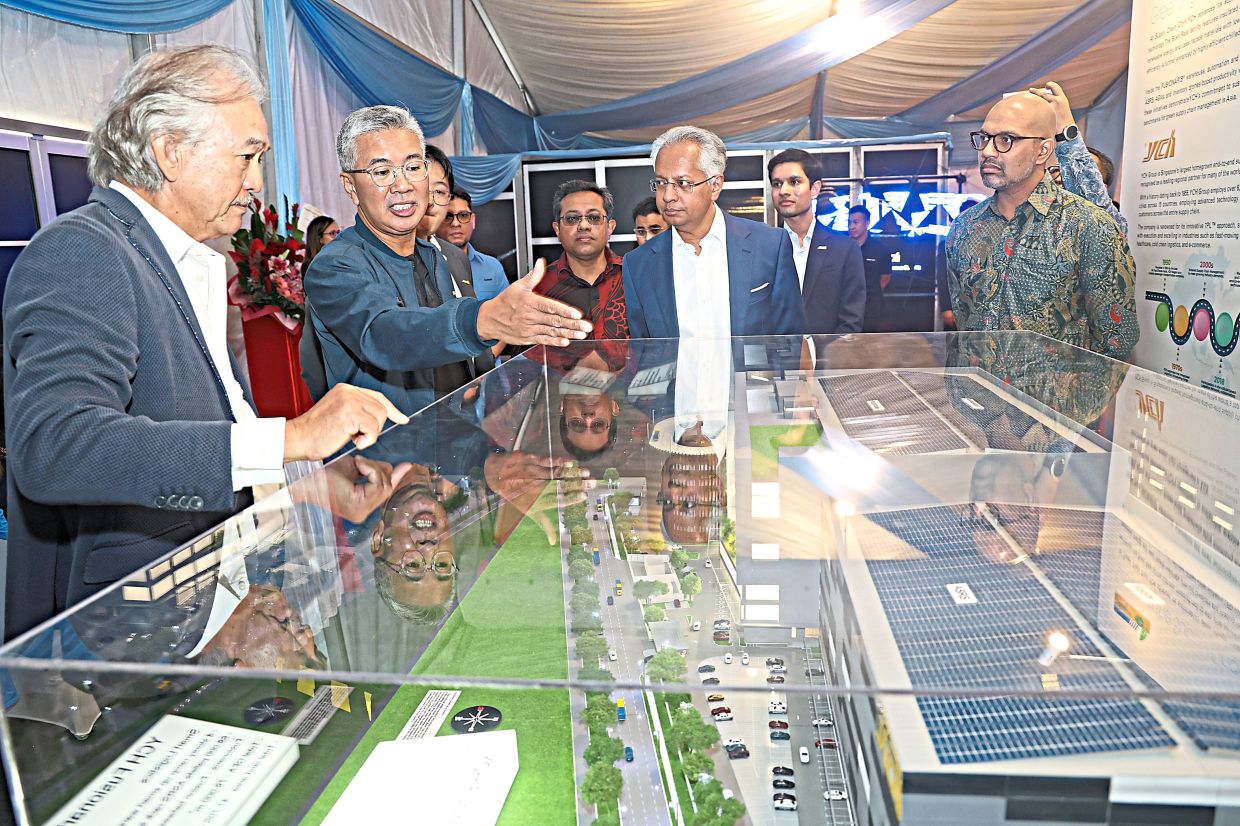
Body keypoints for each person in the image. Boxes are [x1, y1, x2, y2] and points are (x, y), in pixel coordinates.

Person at [2, 46, 409, 639]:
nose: (257, 182)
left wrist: (305, 483)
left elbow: (204, 418)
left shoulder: (186, 257)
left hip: (209, 605)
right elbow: (58, 446)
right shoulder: (84, 251)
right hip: (127, 636)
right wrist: (293, 436)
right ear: (169, 151)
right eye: (248, 156)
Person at [303, 105, 592, 416]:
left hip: (450, 446)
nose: (403, 185)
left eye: (414, 168)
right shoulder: (335, 266)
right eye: (382, 172)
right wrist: (480, 320)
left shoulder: (434, 257)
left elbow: (449, 371)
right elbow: (384, 334)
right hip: (380, 459)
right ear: (350, 186)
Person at [945, 93, 1138, 360]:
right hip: (978, 398)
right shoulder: (964, 229)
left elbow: (1116, 339)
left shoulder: (1087, 225)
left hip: (1053, 401)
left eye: (1006, 140)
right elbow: (963, 323)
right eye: (985, 138)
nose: (988, 151)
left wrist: (1080, 399)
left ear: (1043, 151)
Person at [622, 126, 806, 339]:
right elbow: (643, 352)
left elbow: (790, 338)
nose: (668, 196)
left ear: (715, 185)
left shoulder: (769, 246)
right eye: (662, 183)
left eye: (682, 183)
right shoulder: (638, 264)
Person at [768, 149, 865, 334]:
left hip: (827, 358)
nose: (784, 191)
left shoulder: (845, 249)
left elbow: (851, 321)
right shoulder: (761, 247)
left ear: (815, 189)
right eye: (777, 184)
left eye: (794, 182)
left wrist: (825, 360)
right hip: (775, 359)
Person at [1027, 81, 1127, 235]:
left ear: (1102, 189)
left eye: (1087, 170)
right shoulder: (1027, 220)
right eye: (1057, 169)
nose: (1064, 174)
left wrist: (1065, 131)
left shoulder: (1110, 225)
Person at [536, 180, 629, 340]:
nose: (584, 225)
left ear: (610, 227)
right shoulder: (539, 288)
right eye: (572, 219)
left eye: (593, 217)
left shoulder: (633, 277)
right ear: (557, 229)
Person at [436, 186, 509, 301]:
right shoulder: (426, 266)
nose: (455, 223)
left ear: (473, 220)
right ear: (436, 221)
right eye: (448, 216)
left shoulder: (492, 267)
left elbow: (507, 312)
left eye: (463, 215)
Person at [847, 205, 891, 332]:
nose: (851, 226)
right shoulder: (841, 247)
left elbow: (885, 278)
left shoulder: (881, 249)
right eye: (849, 222)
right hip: (844, 308)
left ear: (867, 223)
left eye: (856, 222)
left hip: (871, 308)